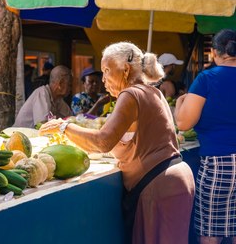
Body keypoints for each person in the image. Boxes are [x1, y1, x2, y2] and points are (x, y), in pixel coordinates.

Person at [39, 42, 194, 243]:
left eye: (106, 71)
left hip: (158, 187)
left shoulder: (130, 94)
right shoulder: (152, 92)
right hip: (175, 180)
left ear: (126, 69)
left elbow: (103, 141)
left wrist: (64, 127)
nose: (103, 80)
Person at [175, 29, 236, 244]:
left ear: (214, 52)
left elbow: (183, 123)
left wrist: (181, 103)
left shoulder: (206, 79)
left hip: (218, 163)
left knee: (211, 232)